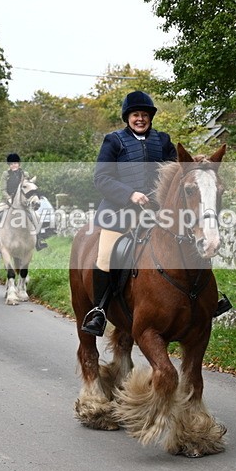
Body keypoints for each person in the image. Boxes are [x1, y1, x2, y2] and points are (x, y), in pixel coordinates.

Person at [81, 91, 178, 336]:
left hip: (155, 212)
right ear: (128, 117)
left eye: (144, 115)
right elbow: (101, 178)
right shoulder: (113, 141)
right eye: (136, 114)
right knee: (105, 258)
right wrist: (130, 194)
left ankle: (203, 303)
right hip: (119, 212)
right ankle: (100, 311)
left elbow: (175, 175)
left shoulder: (163, 141)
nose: (140, 119)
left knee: (187, 243)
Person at [0, 153, 46, 251]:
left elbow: (28, 187)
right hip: (8, 202)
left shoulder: (25, 174)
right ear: (9, 165)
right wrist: (8, 198)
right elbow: (3, 189)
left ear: (19, 164)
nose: (13, 165)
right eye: (11, 164)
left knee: (36, 217)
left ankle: (39, 241)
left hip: (23, 203)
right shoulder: (5, 174)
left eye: (15, 163)